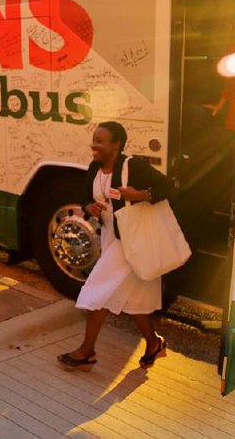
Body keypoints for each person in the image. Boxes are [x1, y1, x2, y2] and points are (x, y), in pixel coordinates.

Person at [57, 121, 173, 372]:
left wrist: (140, 195)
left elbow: (168, 186)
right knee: (134, 297)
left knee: (97, 290)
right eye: (94, 140)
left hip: (132, 240)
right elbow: (86, 199)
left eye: (100, 141)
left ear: (116, 144)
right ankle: (154, 344)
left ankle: (86, 352)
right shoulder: (94, 168)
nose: (94, 145)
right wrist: (90, 208)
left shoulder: (132, 166)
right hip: (113, 236)